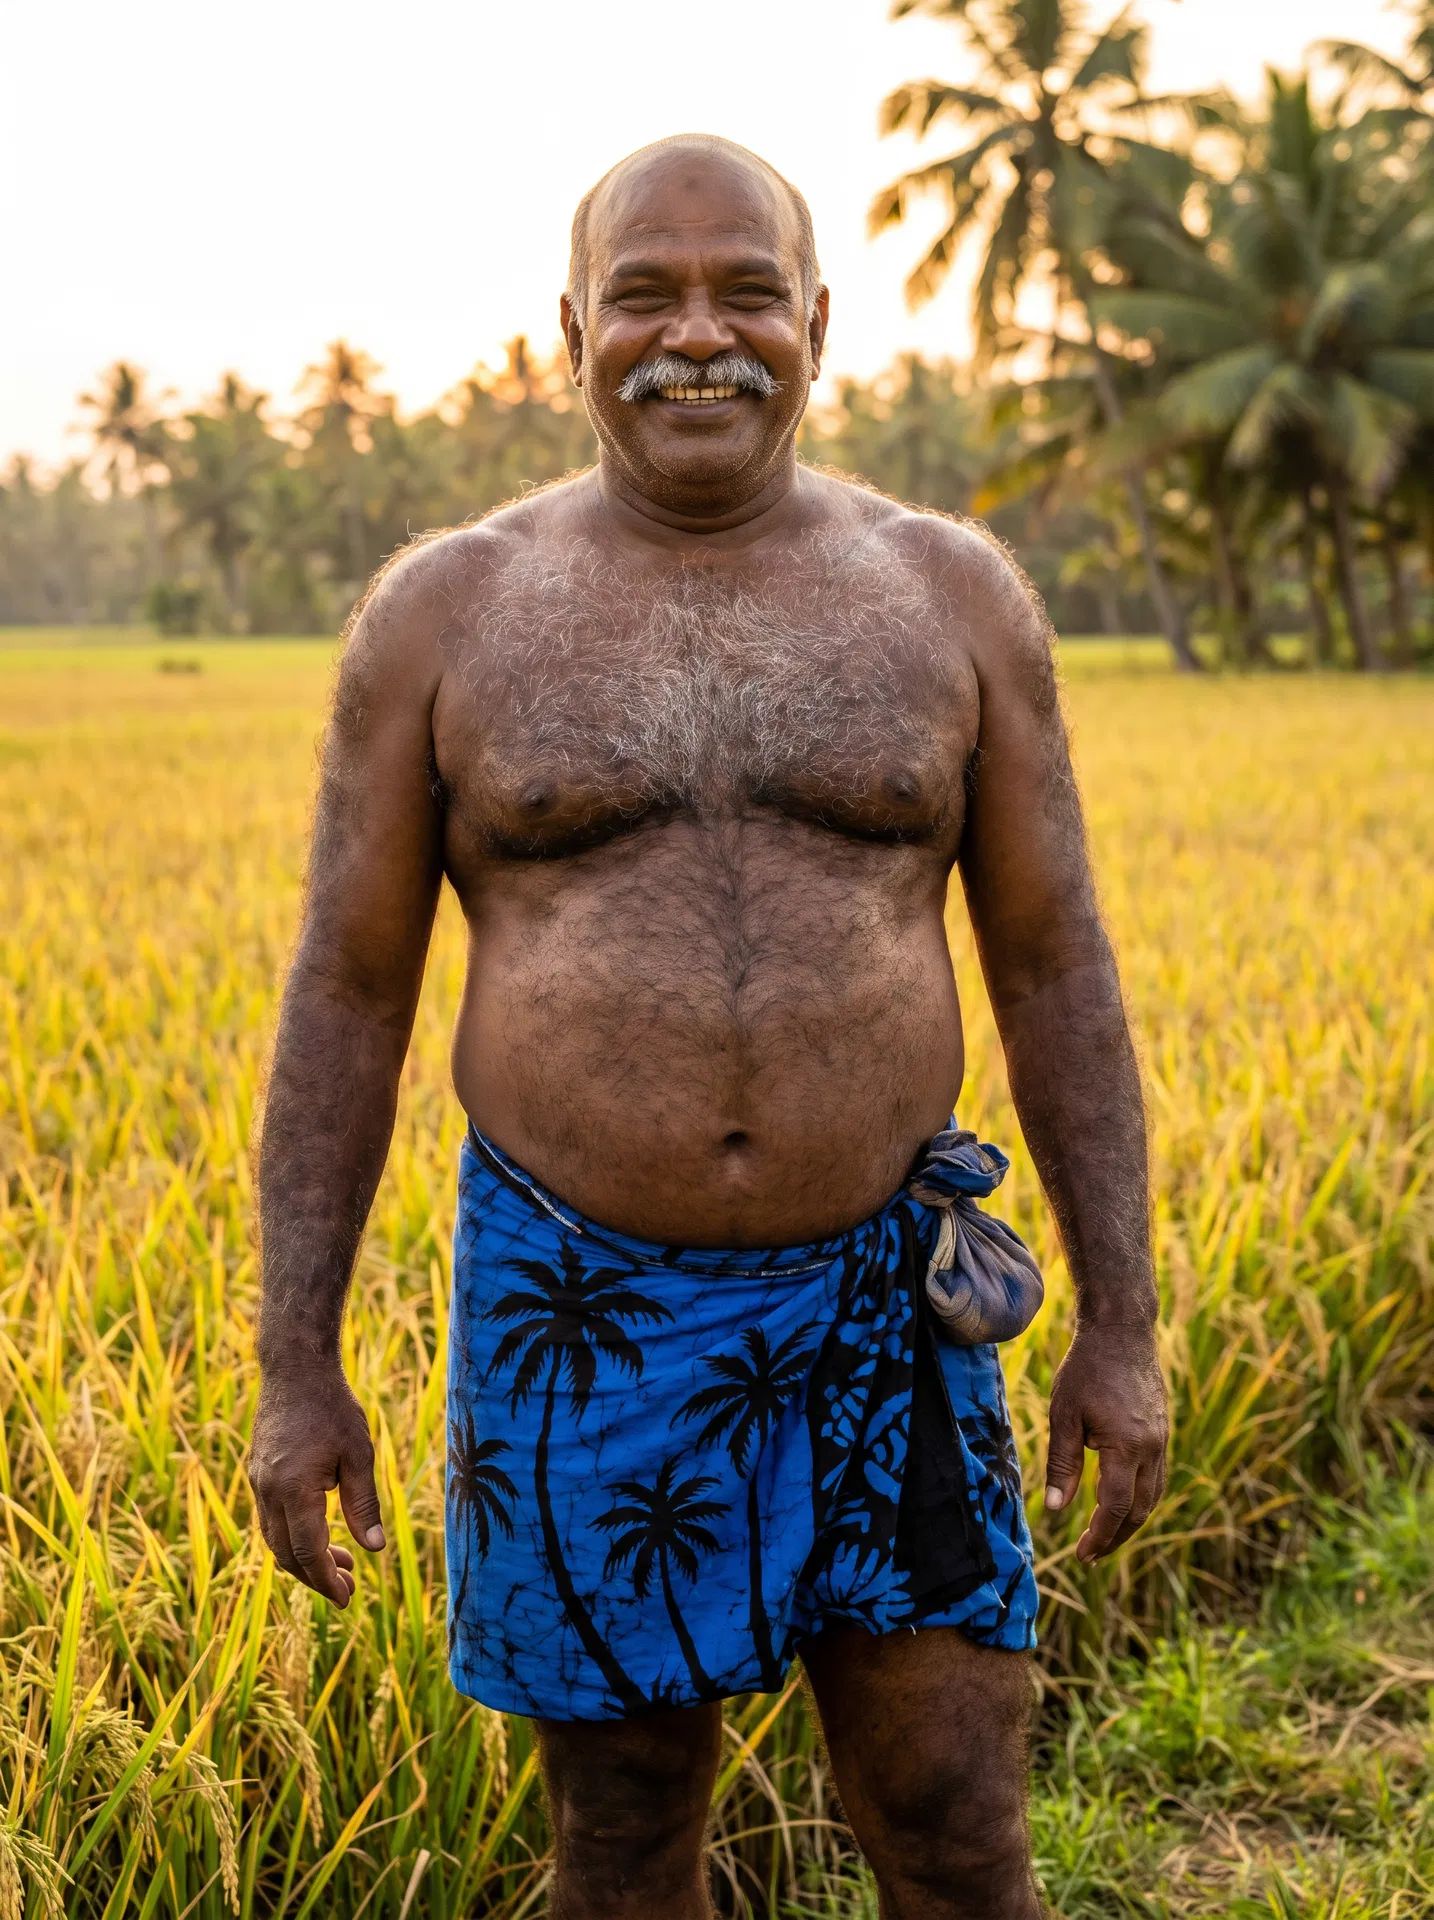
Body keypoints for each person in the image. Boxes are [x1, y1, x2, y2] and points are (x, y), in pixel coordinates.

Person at [248, 133, 1169, 1920]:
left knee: (961, 1828)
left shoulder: (949, 596)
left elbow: (1056, 963)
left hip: (888, 1315)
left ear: (815, 323)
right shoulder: (450, 613)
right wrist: (296, 1366)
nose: (700, 335)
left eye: (746, 290)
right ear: (568, 329)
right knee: (619, 1842)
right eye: (647, 295)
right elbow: (346, 994)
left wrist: (1119, 1325)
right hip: (572, 1315)